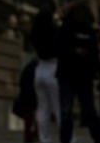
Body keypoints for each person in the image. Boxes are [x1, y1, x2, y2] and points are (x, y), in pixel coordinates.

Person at [55, 2, 100, 143]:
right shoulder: (65, 29)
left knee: (89, 110)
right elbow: (57, 49)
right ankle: (66, 139)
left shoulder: (89, 32)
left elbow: (95, 54)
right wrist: (73, 51)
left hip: (83, 76)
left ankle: (99, 139)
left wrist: (96, 71)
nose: (80, 16)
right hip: (67, 74)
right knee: (66, 111)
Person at [30, 8, 60, 143]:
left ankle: (44, 139)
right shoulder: (54, 32)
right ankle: (68, 138)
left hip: (40, 69)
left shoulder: (35, 32)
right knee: (58, 107)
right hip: (53, 68)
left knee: (42, 109)